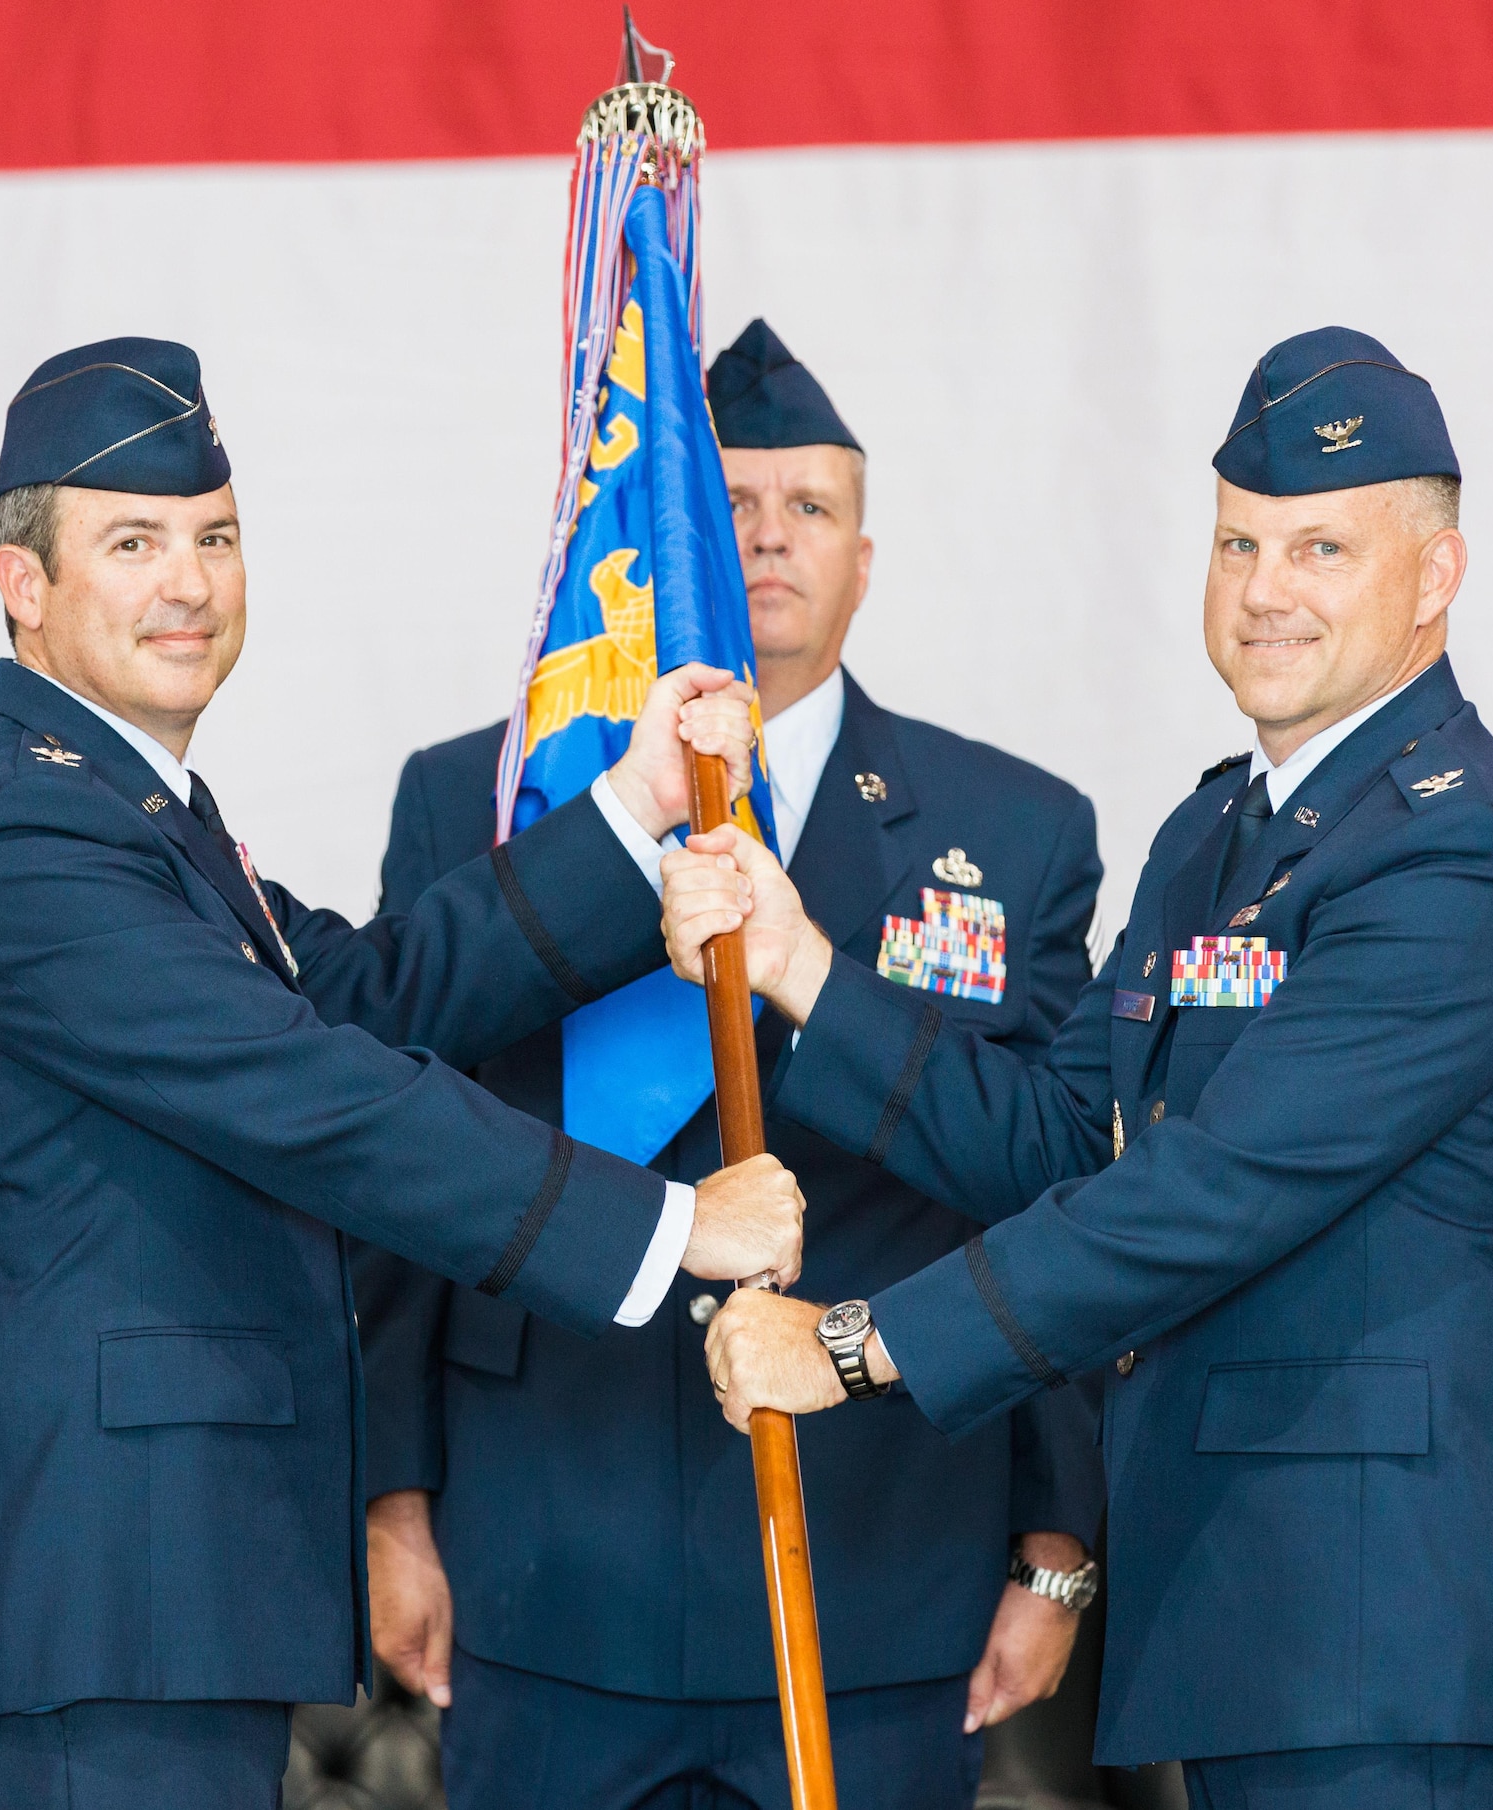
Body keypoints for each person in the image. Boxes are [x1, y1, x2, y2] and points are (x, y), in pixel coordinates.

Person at [669, 326, 1493, 1809]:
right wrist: (801, 969)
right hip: (1260, 1636)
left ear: (1435, 579)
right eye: (1240, 543)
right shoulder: (1219, 835)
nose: (1266, 591)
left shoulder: (1458, 856)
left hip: (1396, 1654)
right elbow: (1063, 1137)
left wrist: (855, 1345)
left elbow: (1204, 1194)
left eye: (1321, 549)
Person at [0, 337, 805, 1810]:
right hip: (96, 1618)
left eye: (215, 536)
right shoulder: (28, 837)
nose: (187, 581)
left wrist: (630, 809)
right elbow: (314, 1091)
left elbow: (377, 993)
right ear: (24, 584)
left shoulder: (145, 816)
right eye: (132, 543)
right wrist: (672, 1227)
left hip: (165, 1603)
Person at [356, 319, 1107, 1810]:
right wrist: (390, 1496)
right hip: (547, 1556)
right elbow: (395, 1156)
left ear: (866, 555)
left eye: (808, 509)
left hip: (875, 1568)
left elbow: (1052, 1188)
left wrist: (1058, 1540)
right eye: (731, 509)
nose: (766, 543)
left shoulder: (1016, 833)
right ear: (667, 537)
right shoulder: (487, 800)